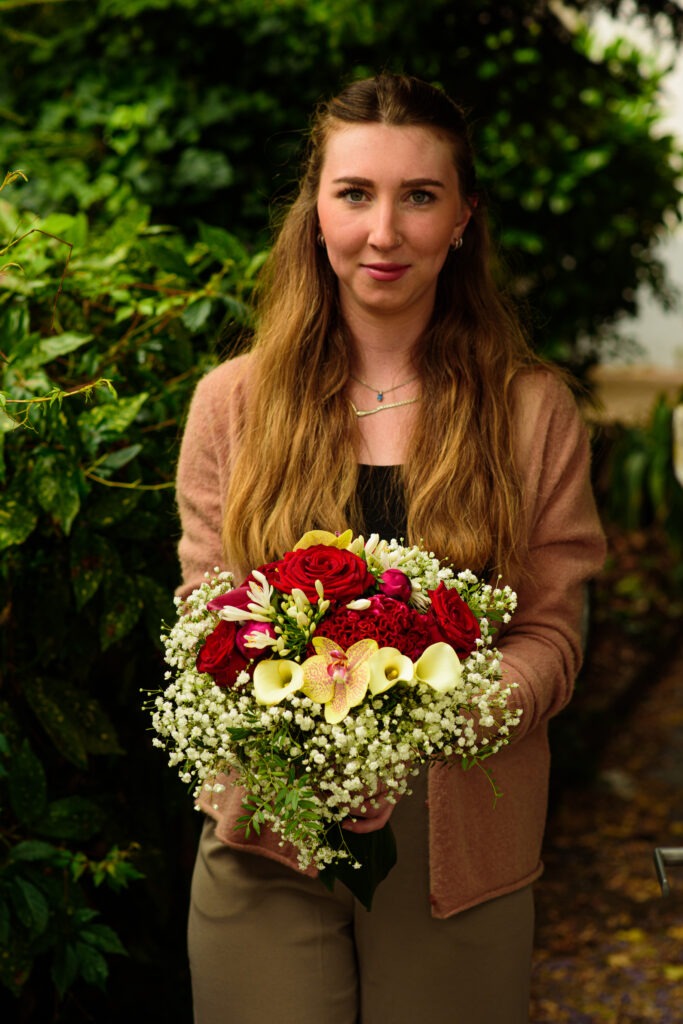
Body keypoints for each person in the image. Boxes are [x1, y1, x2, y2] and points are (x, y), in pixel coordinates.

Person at [175, 72, 606, 1024]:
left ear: (461, 219)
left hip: (462, 852)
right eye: (354, 194)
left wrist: (450, 716)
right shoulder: (231, 405)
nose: (383, 232)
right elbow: (207, 614)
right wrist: (295, 721)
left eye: (419, 196)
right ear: (314, 210)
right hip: (266, 841)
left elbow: (552, 631)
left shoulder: (531, 412)